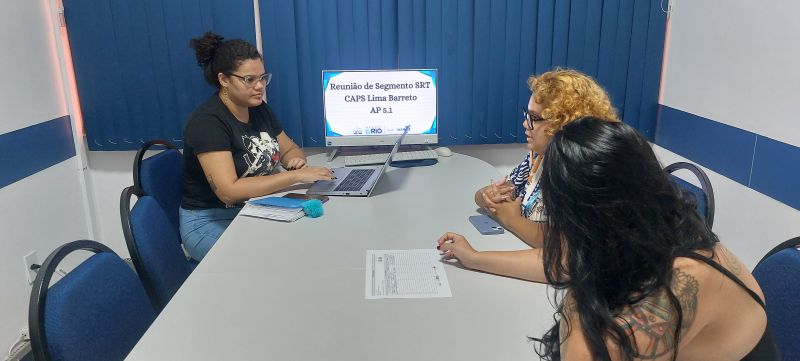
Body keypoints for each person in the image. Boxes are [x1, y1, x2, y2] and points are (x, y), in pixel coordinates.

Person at [441, 117, 778, 360]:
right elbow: (562, 263)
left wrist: (585, 273)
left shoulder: (686, 278)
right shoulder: (657, 230)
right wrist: (476, 259)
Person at [180, 32, 333, 261]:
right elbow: (229, 192)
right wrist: (294, 177)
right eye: (249, 79)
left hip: (255, 206)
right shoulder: (208, 123)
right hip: (209, 220)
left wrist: (295, 161)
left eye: (262, 78)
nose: (260, 86)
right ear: (224, 79)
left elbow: (290, 149)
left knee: (306, 245)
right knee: (268, 261)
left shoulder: (259, 109)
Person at [475, 69, 618, 247]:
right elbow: (482, 195)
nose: (525, 123)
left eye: (534, 118)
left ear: (565, 123)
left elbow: (563, 247)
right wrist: (489, 196)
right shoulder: (537, 156)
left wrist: (512, 220)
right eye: (527, 115)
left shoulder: (583, 173)